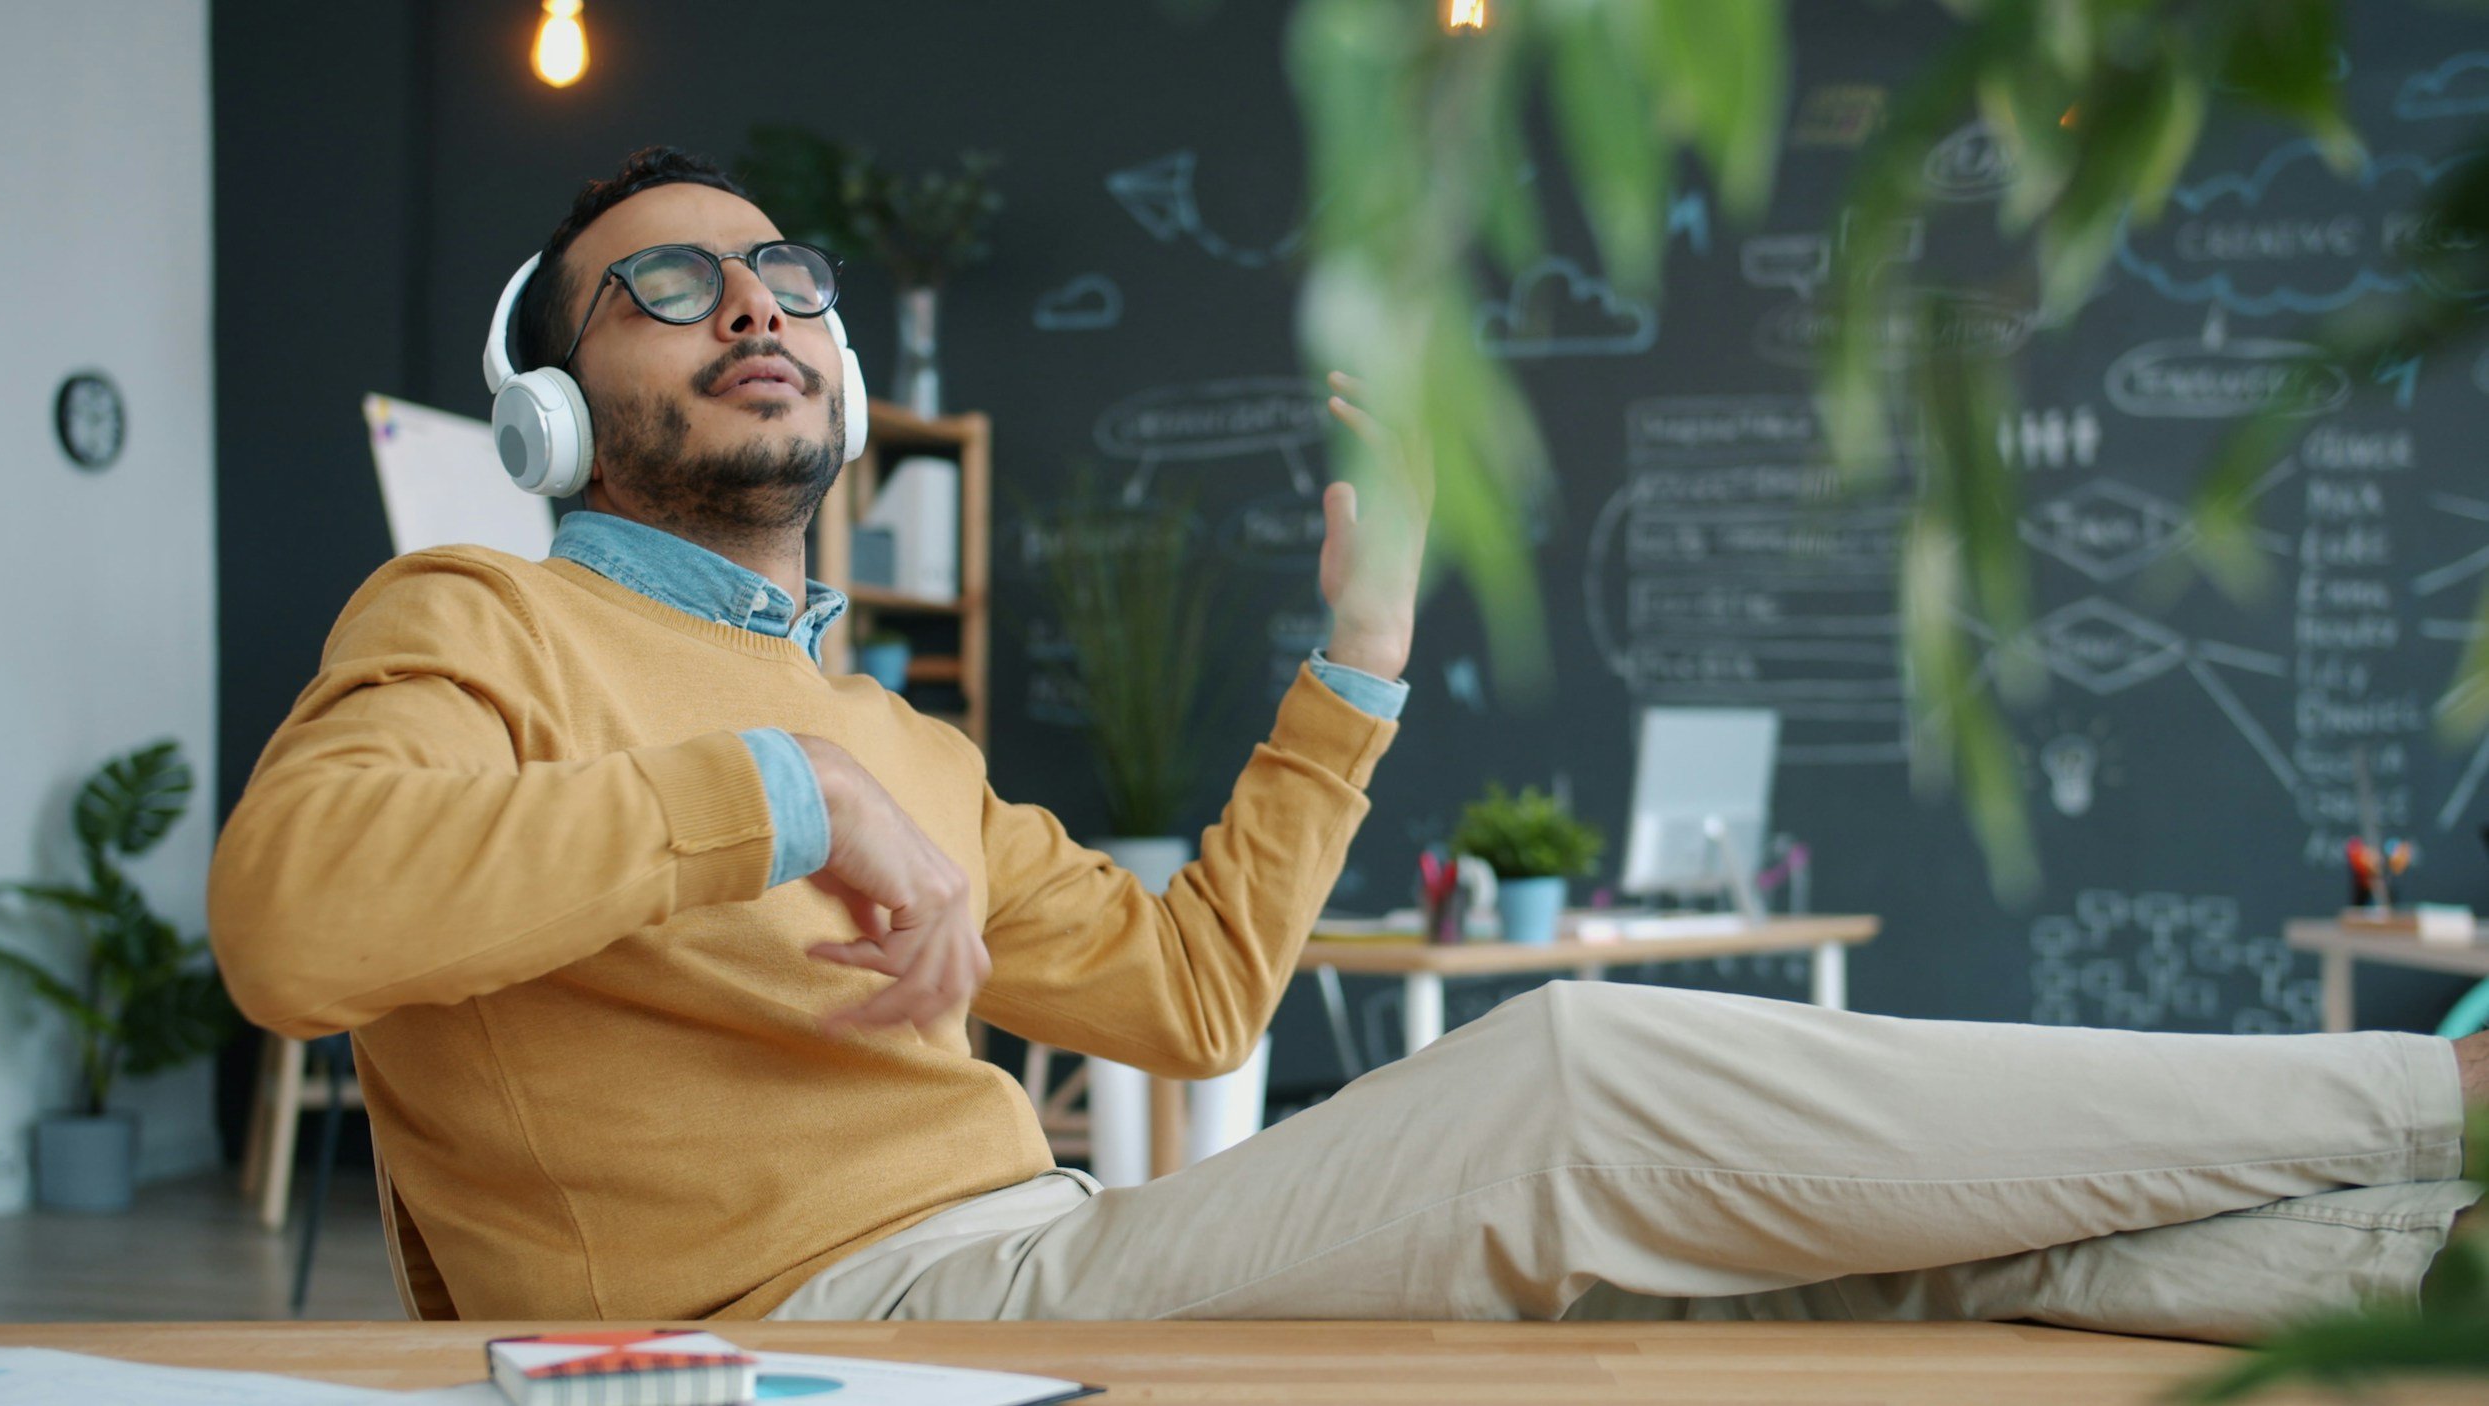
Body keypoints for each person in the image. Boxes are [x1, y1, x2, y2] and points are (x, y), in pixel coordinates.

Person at [208, 146, 2487, 1340]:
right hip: (834, 1330)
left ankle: (2415, 1261)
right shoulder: (474, 613)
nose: (759, 312)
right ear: (547, 399)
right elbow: (292, 926)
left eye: (783, 277)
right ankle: (2437, 1092)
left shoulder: (872, 715)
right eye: (670, 288)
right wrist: (775, 803)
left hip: (1043, 1248)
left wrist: (1360, 653)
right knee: (1580, 1080)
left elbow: (1186, 989)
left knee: (1817, 1250)